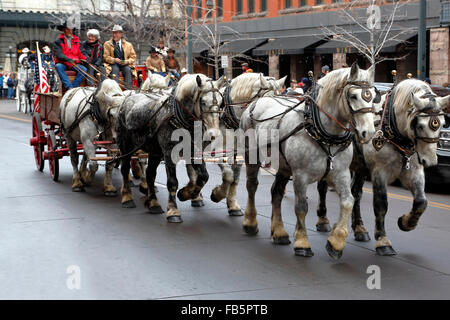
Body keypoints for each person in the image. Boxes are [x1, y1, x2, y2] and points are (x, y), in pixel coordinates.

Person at [53, 21, 87, 89]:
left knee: (84, 69)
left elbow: (81, 53)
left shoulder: (77, 41)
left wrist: (86, 59)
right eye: (67, 29)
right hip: (63, 63)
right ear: (63, 30)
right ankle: (69, 87)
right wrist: (69, 60)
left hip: (73, 64)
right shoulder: (58, 41)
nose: (69, 31)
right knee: (58, 66)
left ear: (72, 30)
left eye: (70, 29)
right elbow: (59, 55)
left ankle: (73, 88)